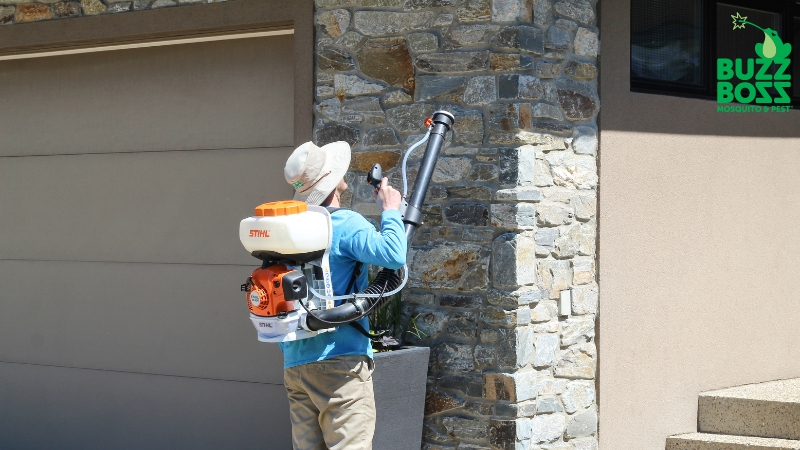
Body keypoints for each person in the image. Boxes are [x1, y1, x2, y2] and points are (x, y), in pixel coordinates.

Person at [280, 140, 407, 450]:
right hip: (341, 364)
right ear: (333, 181)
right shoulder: (344, 223)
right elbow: (394, 255)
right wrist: (391, 211)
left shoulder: (288, 229)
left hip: (295, 364)